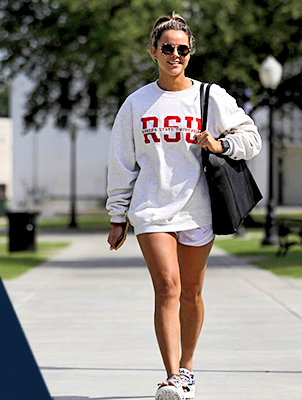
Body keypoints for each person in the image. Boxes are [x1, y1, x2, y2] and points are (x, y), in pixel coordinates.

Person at [105, 13, 261, 400]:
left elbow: (251, 138)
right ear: (153, 51)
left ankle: (187, 370)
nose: (175, 54)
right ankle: (172, 377)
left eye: (182, 49)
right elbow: (122, 162)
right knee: (167, 288)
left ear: (190, 53)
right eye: (167, 48)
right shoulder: (136, 104)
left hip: (198, 208)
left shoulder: (211, 97)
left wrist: (220, 145)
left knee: (191, 293)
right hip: (152, 209)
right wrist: (117, 215)